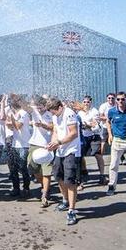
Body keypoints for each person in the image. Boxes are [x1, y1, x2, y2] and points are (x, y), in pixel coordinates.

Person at [46, 97, 81, 226]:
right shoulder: (55, 116)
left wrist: (59, 142)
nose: (52, 114)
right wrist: (52, 143)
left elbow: (74, 133)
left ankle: (72, 210)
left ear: (60, 107)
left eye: (54, 111)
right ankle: (65, 200)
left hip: (71, 151)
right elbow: (55, 131)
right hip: (60, 151)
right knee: (58, 176)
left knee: (70, 181)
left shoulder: (69, 114)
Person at [105, 91, 126, 194]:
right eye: (118, 99)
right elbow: (108, 121)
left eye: (122, 99)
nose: (120, 101)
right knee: (113, 164)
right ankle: (112, 185)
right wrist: (110, 134)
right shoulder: (111, 111)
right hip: (117, 141)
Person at [27, 95, 55, 207]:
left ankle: (44, 195)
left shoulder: (50, 115)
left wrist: (42, 125)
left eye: (41, 107)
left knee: (47, 172)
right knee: (32, 168)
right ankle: (44, 186)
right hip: (34, 144)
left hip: (46, 146)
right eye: (37, 107)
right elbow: (25, 106)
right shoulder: (34, 112)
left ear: (45, 106)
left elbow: (53, 128)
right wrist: (17, 99)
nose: (39, 109)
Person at [4, 94, 32, 197]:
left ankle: (26, 188)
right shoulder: (16, 114)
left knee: (22, 167)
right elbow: (11, 127)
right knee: (13, 167)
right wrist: (11, 122)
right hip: (15, 144)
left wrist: (11, 120)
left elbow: (18, 126)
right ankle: (16, 188)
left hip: (24, 144)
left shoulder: (23, 113)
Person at [78, 96, 106, 186]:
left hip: (94, 136)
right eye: (84, 102)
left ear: (91, 103)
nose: (86, 103)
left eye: (88, 102)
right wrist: (86, 125)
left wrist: (88, 125)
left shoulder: (94, 111)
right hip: (83, 136)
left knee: (98, 155)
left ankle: (102, 175)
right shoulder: (79, 113)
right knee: (80, 156)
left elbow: (95, 126)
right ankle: (83, 172)